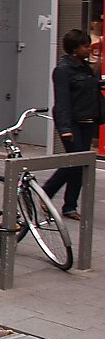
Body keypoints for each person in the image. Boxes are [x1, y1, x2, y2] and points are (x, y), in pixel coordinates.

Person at [42, 29, 102, 222]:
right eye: (85, 46)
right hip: (73, 123)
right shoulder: (63, 70)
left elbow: (91, 87)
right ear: (75, 49)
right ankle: (46, 192)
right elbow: (62, 102)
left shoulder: (85, 67)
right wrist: (66, 129)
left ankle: (69, 205)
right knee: (72, 163)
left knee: (80, 164)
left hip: (87, 121)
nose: (89, 50)